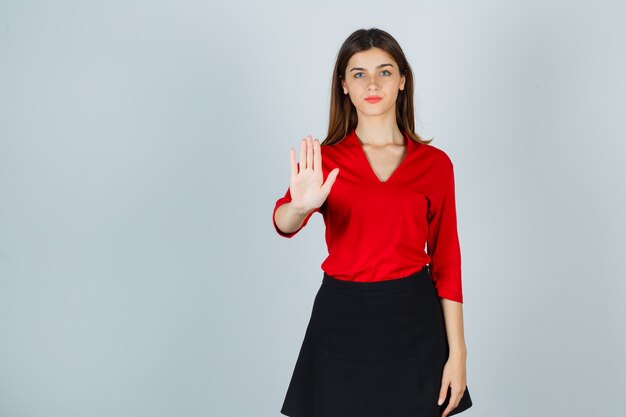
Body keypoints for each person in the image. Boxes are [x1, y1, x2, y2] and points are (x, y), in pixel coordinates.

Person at [272, 27, 473, 417]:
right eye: (358, 73)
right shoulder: (326, 160)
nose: (372, 83)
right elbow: (283, 221)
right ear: (344, 86)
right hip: (341, 315)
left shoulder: (435, 165)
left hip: (414, 317)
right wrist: (300, 205)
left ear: (402, 80)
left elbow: (448, 263)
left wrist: (459, 353)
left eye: (384, 71)